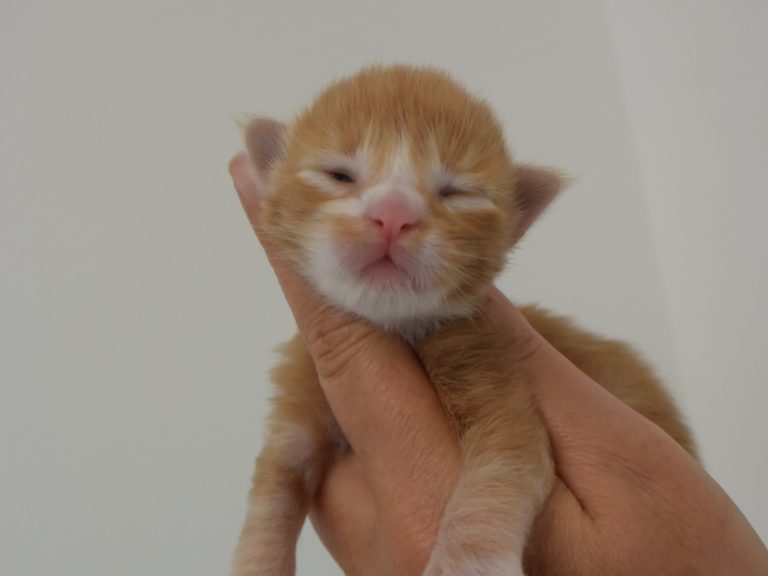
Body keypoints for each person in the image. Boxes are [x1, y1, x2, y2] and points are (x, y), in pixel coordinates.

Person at [229, 153, 768, 575]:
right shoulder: (316, 364)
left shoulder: (472, 342)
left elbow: (512, 445)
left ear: (515, 222)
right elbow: (284, 467)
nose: (391, 212)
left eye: (454, 192)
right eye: (340, 175)